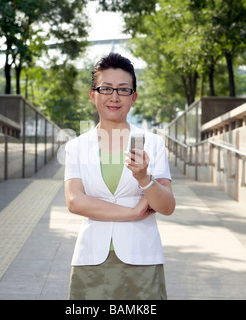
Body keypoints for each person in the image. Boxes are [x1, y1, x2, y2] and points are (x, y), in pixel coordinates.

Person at [64, 52, 175, 300]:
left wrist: (145, 179)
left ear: (133, 97)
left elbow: (166, 206)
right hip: (91, 260)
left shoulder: (153, 144)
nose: (114, 97)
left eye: (123, 90)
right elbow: (75, 202)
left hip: (142, 259)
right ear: (93, 95)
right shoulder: (76, 147)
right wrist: (133, 212)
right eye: (106, 89)